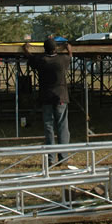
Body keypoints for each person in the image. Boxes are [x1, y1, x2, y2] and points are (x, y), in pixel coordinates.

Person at [22, 38, 72, 166]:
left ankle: (51, 159)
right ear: (56, 49)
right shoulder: (62, 60)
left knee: (48, 127)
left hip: (46, 98)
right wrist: (69, 49)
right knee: (62, 127)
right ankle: (63, 158)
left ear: (44, 49)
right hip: (61, 97)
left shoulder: (42, 61)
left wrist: (26, 49)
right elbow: (70, 56)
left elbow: (30, 57)